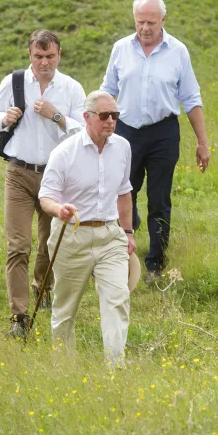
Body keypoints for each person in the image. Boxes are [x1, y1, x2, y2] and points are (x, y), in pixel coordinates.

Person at [100, 0, 210, 285]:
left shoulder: (178, 51)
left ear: (163, 20)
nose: (145, 28)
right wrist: (100, 129)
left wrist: (202, 142)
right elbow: (107, 90)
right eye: (139, 22)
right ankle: (122, 251)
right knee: (125, 193)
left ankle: (155, 265)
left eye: (151, 22)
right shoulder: (121, 49)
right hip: (126, 132)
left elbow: (191, 97)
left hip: (163, 132)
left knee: (159, 199)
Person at [0, 30, 85, 339]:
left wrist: (57, 116)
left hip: (55, 176)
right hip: (18, 173)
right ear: (30, 56)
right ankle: (19, 316)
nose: (44, 62)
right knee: (18, 246)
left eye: (50, 56)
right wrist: (5, 118)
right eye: (39, 56)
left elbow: (84, 126)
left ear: (59, 56)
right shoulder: (14, 82)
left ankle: (43, 287)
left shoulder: (70, 87)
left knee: (48, 243)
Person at [39, 90, 135, 366]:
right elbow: (46, 197)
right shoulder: (64, 153)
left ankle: (116, 366)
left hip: (109, 235)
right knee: (65, 308)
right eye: (104, 116)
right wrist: (60, 210)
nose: (110, 121)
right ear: (87, 117)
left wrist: (128, 233)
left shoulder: (123, 148)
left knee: (117, 299)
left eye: (115, 116)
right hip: (71, 236)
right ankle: (64, 367)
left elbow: (124, 192)